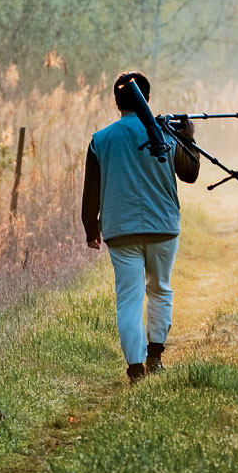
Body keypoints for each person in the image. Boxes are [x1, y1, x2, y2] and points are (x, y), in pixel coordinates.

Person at [81, 72, 199, 383]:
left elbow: (91, 190)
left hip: (120, 231)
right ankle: (155, 356)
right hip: (163, 226)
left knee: (129, 299)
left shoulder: (100, 139)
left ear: (116, 102)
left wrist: (90, 228)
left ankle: (135, 369)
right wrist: (188, 137)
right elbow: (191, 173)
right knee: (160, 289)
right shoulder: (165, 133)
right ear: (147, 98)